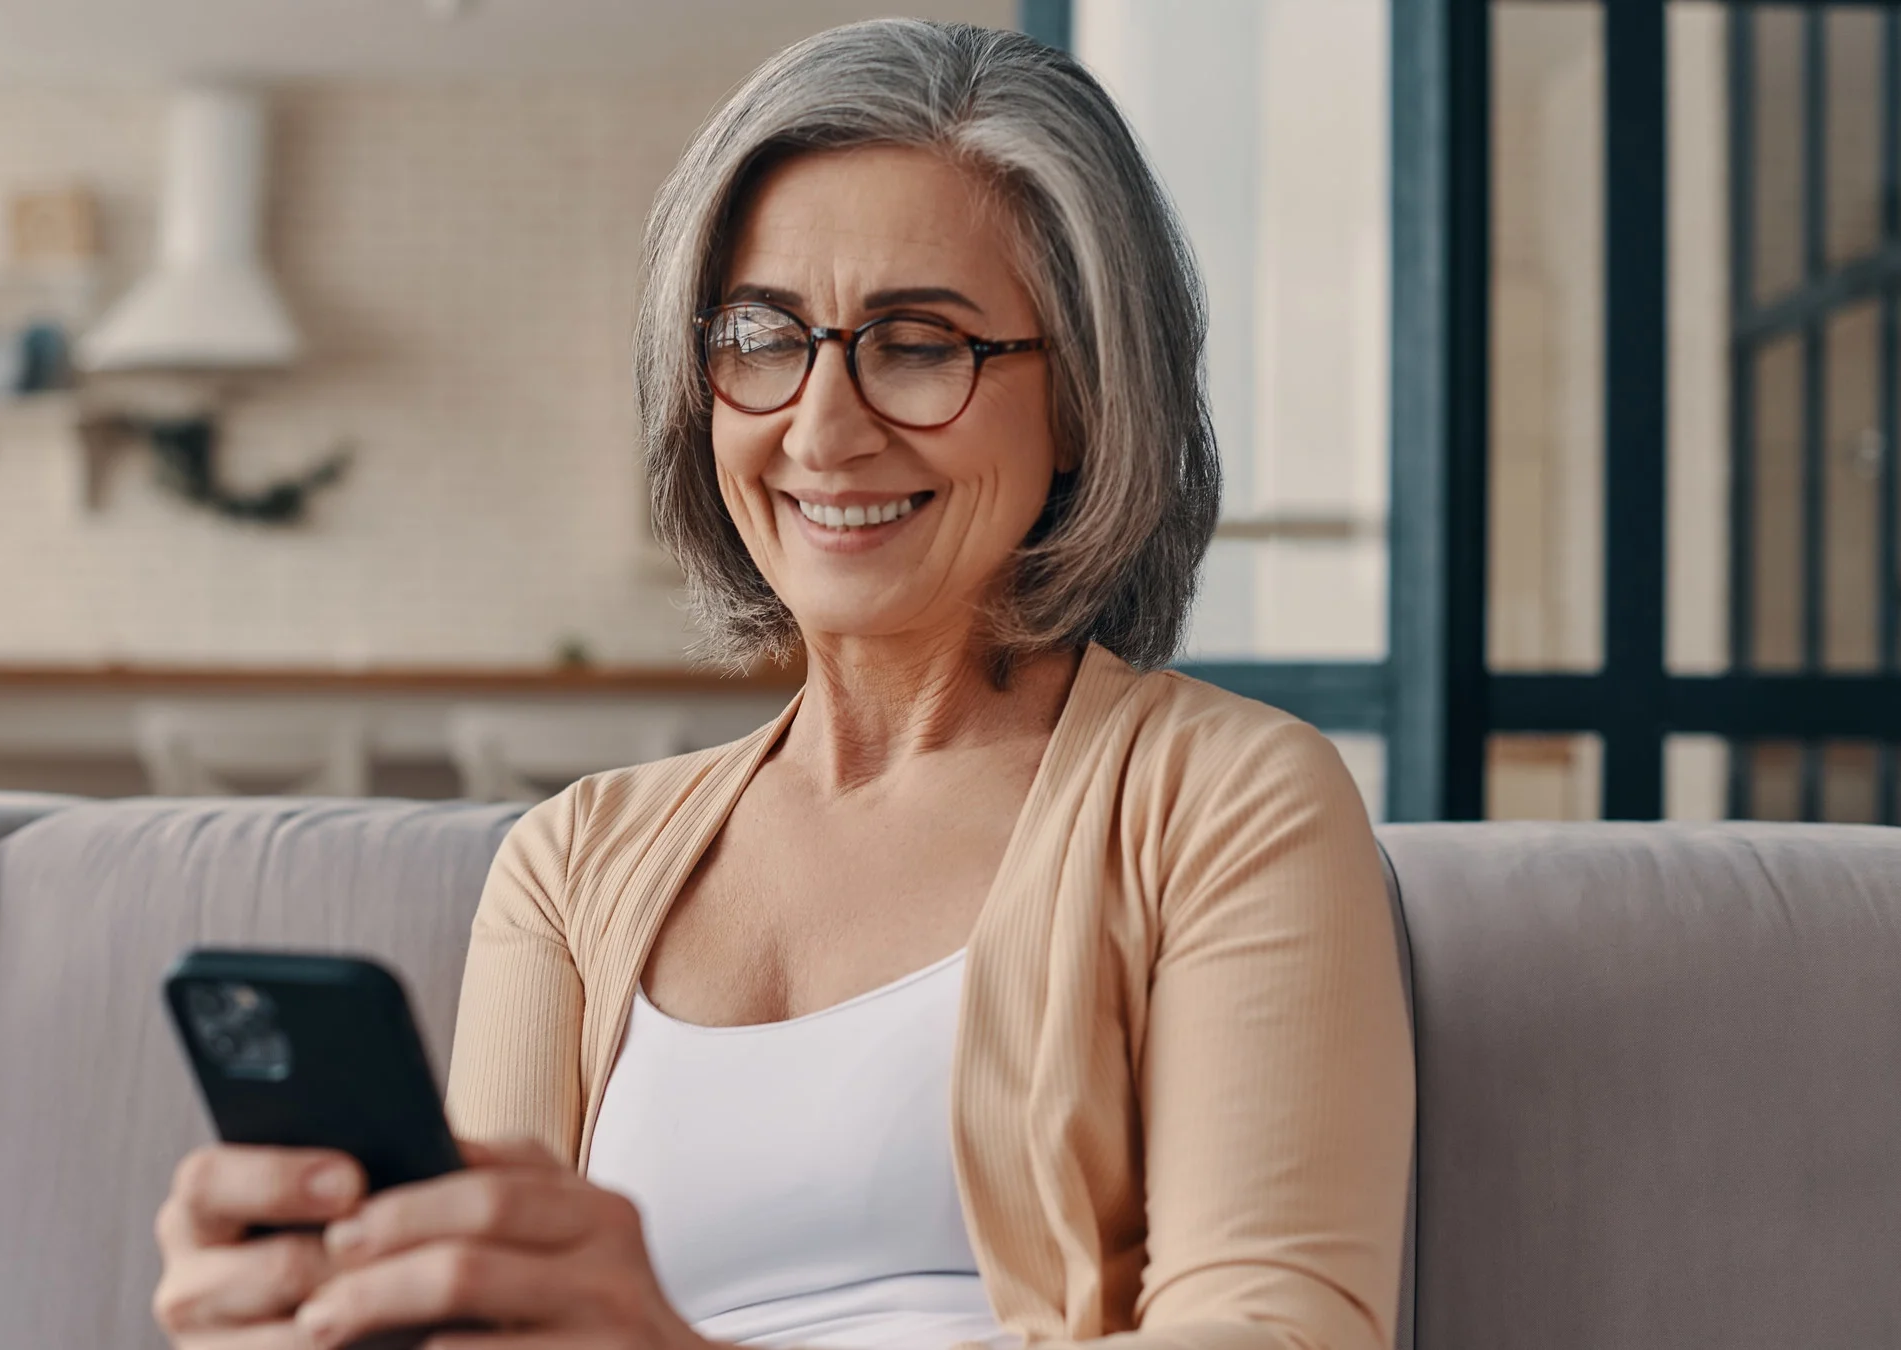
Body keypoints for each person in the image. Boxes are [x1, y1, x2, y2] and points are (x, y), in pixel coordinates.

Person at [151, 19, 1413, 1350]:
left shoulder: (1226, 800)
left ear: (1089, 400)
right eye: (762, 336)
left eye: (920, 344)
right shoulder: (572, 861)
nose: (820, 426)